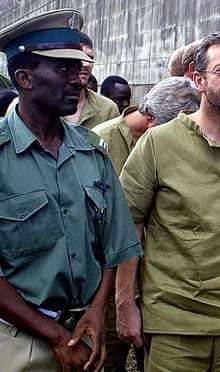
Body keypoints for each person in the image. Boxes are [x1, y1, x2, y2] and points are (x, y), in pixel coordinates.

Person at [116, 32, 220, 371]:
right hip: (175, 325)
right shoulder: (158, 143)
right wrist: (125, 305)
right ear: (197, 79)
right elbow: (128, 226)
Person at [0, 9, 142, 371]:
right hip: (18, 343)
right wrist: (56, 336)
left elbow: (114, 244)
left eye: (79, 70)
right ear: (25, 78)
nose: (79, 80)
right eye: (63, 70)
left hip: (87, 335)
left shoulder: (92, 150)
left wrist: (96, 311)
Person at [94, 76, 199, 372]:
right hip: (108, 275)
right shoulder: (100, 142)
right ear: (151, 118)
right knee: (108, 357)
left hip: (157, 280)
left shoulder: (180, 146)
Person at [63, 31, 119, 128]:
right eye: (80, 56)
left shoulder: (108, 109)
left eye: (90, 57)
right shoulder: (43, 105)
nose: (86, 64)